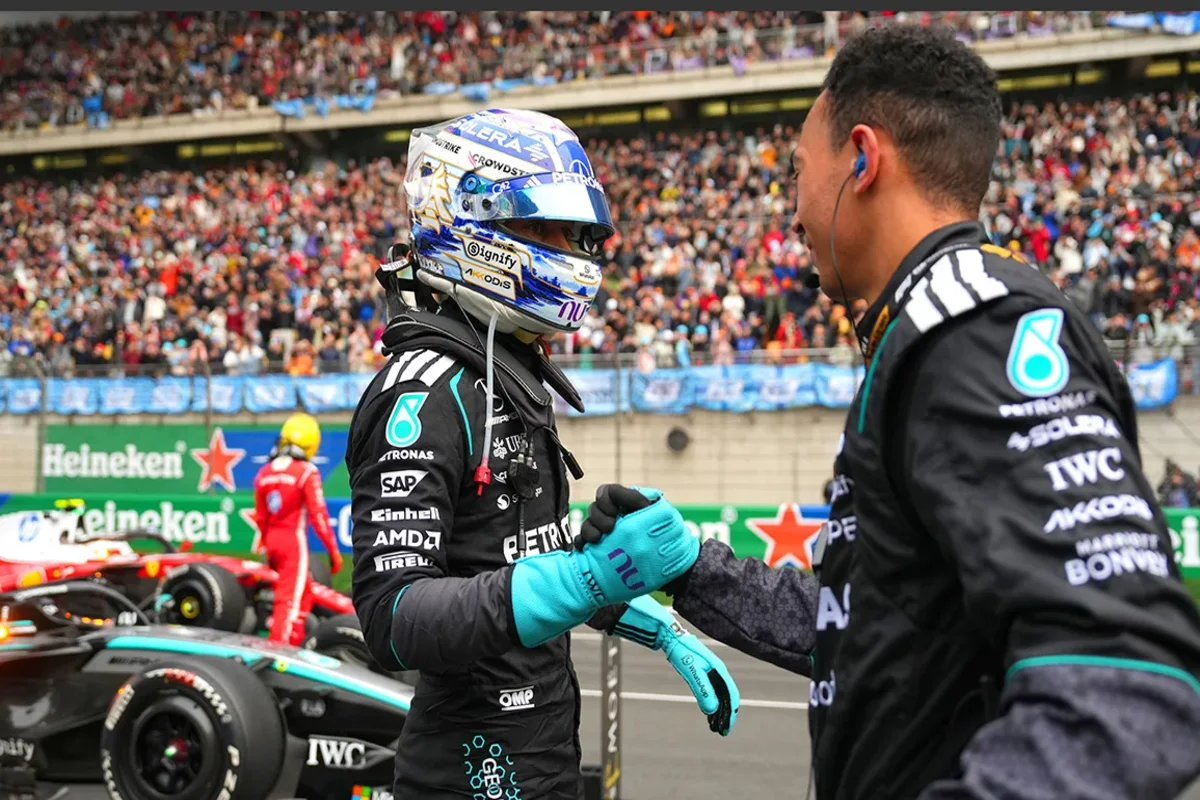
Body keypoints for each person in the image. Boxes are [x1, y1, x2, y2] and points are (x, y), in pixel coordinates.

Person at [575, 25, 1200, 800]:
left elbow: (1126, 680)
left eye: (799, 173)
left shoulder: (971, 327)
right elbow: (876, 630)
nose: (793, 217)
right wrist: (696, 569)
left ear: (863, 159)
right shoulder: (927, 328)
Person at [347, 108, 739, 799]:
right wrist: (589, 576)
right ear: (470, 225)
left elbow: (517, 560)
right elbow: (395, 617)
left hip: (545, 745)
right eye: (540, 229)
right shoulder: (423, 395)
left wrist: (655, 624)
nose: (568, 250)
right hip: (471, 766)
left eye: (574, 232)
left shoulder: (507, 367)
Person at [252, 411, 342, 645]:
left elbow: (261, 518)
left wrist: (266, 543)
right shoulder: (306, 472)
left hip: (272, 541)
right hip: (293, 544)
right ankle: (280, 654)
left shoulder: (265, 472)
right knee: (289, 603)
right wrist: (333, 552)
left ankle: (292, 638)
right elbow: (319, 516)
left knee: (302, 595)